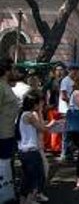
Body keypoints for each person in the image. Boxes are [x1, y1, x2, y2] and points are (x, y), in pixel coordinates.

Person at [17, 91, 55, 204]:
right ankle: (29, 200)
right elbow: (42, 128)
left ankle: (24, 200)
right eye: (39, 103)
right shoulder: (29, 115)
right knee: (34, 177)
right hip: (30, 150)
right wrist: (51, 123)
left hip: (26, 150)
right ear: (34, 104)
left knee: (29, 177)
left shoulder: (24, 114)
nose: (41, 105)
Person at [0, 58, 20, 204]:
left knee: (6, 168)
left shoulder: (5, 85)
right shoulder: (0, 86)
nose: (15, 72)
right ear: (7, 70)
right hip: (2, 135)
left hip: (8, 134)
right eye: (13, 69)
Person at [58, 64, 79, 162]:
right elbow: (63, 96)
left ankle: (69, 153)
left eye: (76, 70)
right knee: (67, 133)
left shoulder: (74, 81)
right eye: (73, 70)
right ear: (69, 70)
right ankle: (64, 154)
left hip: (73, 110)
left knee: (71, 133)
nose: (75, 72)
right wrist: (72, 101)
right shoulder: (65, 81)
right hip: (66, 110)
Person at [43, 65, 65, 153]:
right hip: (53, 107)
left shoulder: (64, 81)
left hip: (61, 107)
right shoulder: (51, 81)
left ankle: (57, 146)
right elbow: (45, 91)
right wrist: (47, 104)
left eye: (61, 70)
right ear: (55, 71)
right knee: (53, 127)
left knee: (60, 128)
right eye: (58, 70)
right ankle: (53, 146)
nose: (59, 72)